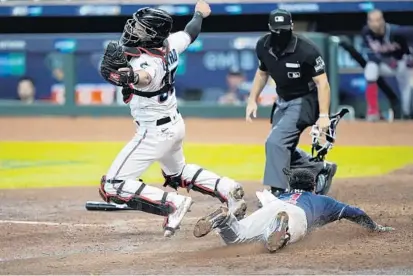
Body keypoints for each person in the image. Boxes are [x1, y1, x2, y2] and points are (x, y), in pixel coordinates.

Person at [97, 1, 246, 238]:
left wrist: (127, 76)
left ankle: (173, 204)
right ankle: (227, 188)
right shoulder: (171, 44)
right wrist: (199, 14)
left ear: (151, 34)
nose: (133, 29)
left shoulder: (148, 63)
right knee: (177, 173)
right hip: (174, 124)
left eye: (140, 28)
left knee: (112, 185)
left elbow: (144, 76)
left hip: (153, 132)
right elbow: (191, 32)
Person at [245, 9, 337, 198]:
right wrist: (252, 99)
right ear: (270, 29)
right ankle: (320, 168)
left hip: (305, 101)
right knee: (281, 147)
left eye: (285, 29)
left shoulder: (306, 49)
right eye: (277, 30)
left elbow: (322, 83)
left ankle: (278, 193)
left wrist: (324, 116)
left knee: (275, 143)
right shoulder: (263, 46)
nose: (281, 34)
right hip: (282, 100)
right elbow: (262, 73)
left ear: (292, 27)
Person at [193, 168, 394, 253]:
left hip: (271, 206)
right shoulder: (322, 200)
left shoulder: (281, 195)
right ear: (313, 186)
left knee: (236, 238)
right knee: (282, 238)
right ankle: (282, 229)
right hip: (296, 214)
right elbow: (355, 213)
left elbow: (262, 204)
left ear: (291, 185)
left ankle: (225, 218)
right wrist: (375, 227)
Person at [362, 9, 413, 120]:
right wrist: (387, 62)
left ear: (383, 21)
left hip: (401, 64)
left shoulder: (396, 31)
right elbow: (371, 55)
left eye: (377, 20)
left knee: (406, 92)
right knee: (370, 68)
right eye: (371, 21)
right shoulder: (366, 33)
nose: (375, 24)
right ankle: (373, 111)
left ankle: (406, 114)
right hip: (385, 65)